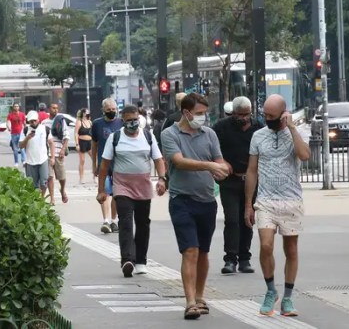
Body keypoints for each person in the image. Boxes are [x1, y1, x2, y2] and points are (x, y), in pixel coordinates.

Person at [161, 93, 228, 321]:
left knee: (203, 252)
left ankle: (200, 296)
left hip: (207, 200)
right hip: (182, 200)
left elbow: (219, 160)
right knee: (190, 250)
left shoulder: (209, 134)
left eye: (204, 113)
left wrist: (222, 168)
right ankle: (190, 302)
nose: (203, 117)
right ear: (186, 113)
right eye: (199, 114)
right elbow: (179, 162)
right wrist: (209, 165)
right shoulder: (169, 134)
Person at [244, 95, 310, 317]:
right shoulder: (257, 136)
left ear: (284, 114)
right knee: (266, 245)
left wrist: (291, 128)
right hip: (266, 200)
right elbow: (252, 171)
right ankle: (271, 291)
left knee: (291, 249)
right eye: (265, 115)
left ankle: (288, 298)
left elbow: (305, 155)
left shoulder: (295, 134)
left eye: (271, 116)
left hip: (291, 200)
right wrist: (248, 204)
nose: (267, 119)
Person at [98, 105, 167, 277]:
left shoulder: (147, 136)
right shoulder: (115, 138)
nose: (132, 123)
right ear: (123, 121)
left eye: (135, 120)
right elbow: (104, 165)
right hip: (122, 187)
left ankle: (141, 260)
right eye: (129, 120)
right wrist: (101, 190)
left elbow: (158, 159)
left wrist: (161, 179)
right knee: (126, 223)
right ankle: (127, 260)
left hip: (143, 187)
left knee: (143, 224)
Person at [212, 96, 262, 275]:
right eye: (240, 115)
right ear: (233, 113)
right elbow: (211, 148)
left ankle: (245, 259)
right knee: (232, 220)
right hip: (230, 180)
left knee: (247, 219)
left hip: (251, 180)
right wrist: (221, 162)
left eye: (247, 114)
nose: (244, 118)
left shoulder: (258, 127)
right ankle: (230, 259)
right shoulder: (221, 127)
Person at [92, 98, 123, 233]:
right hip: (104, 164)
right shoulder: (97, 124)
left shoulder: (121, 123)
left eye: (113, 110)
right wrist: (94, 164)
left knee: (116, 194)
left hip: (119, 164)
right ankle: (106, 220)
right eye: (109, 110)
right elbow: (94, 145)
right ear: (103, 110)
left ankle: (114, 220)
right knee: (103, 191)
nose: (111, 112)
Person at [20, 110, 52, 198]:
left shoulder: (45, 129)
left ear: (38, 120)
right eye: (31, 121)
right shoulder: (25, 130)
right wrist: (27, 138)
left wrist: (52, 157)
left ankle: (41, 198)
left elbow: (51, 142)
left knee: (44, 182)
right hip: (30, 161)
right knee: (33, 185)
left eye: (35, 120)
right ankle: (36, 200)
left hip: (43, 159)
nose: (33, 123)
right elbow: (20, 146)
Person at [47, 103, 69, 205]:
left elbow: (66, 136)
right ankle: (52, 198)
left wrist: (63, 149)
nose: (55, 110)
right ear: (49, 109)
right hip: (47, 154)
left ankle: (62, 190)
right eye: (53, 108)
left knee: (62, 177)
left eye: (56, 108)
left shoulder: (61, 120)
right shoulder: (44, 122)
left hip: (58, 152)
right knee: (49, 177)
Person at [76, 109, 94, 184]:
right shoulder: (79, 122)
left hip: (90, 141)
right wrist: (77, 144)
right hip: (82, 142)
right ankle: (81, 178)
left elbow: (93, 132)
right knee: (82, 161)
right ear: (83, 113)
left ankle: (94, 176)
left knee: (94, 159)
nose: (87, 114)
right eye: (86, 112)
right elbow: (76, 133)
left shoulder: (90, 122)